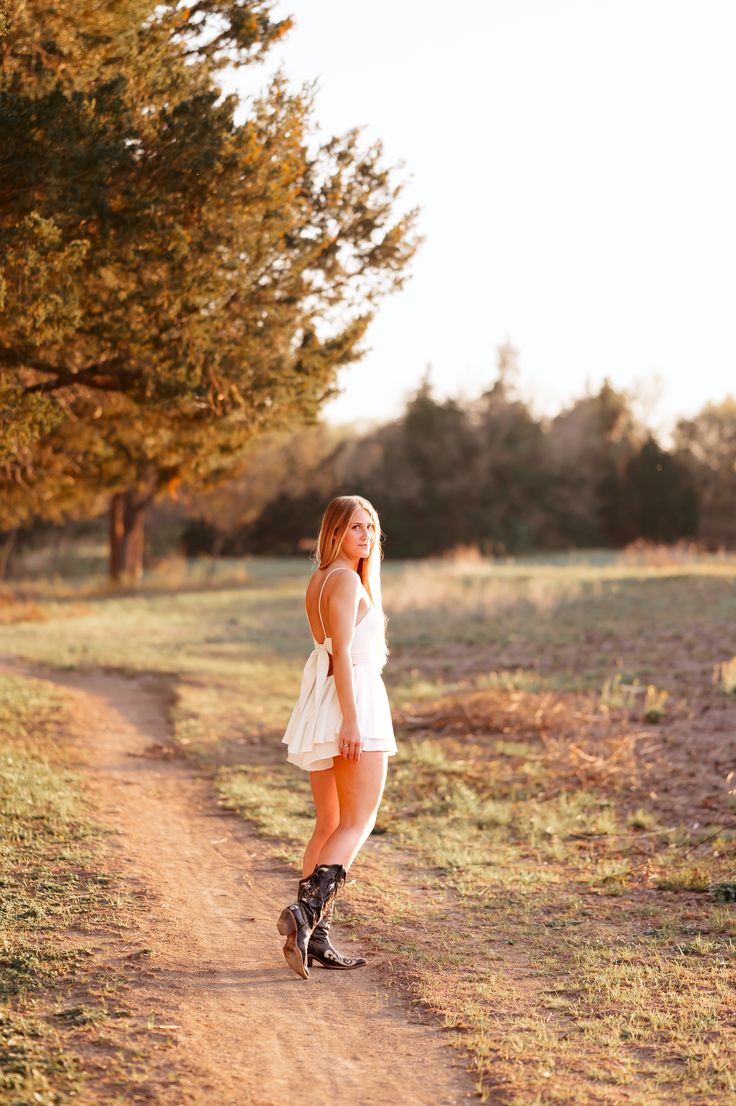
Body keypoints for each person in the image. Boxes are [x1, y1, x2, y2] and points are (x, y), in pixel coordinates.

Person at [277, 494, 397, 979]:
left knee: (329, 823)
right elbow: (343, 655)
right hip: (353, 703)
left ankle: (315, 938)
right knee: (358, 822)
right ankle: (305, 915)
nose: (365, 536)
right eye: (355, 528)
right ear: (334, 533)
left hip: (328, 702)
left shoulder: (321, 578)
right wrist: (351, 719)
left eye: (371, 526)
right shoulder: (345, 579)